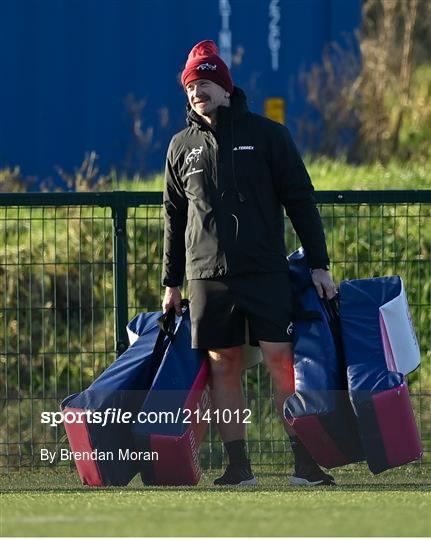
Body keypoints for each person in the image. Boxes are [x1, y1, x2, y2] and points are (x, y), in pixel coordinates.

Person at [162, 40, 337, 486]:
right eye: (190, 87)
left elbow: (300, 200)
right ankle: (238, 467)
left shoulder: (268, 135)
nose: (196, 92)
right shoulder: (180, 147)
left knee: (282, 360)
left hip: (265, 270)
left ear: (225, 88)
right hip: (206, 276)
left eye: (204, 83)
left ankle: (305, 462)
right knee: (224, 365)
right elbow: (174, 218)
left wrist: (319, 264)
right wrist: (172, 282)